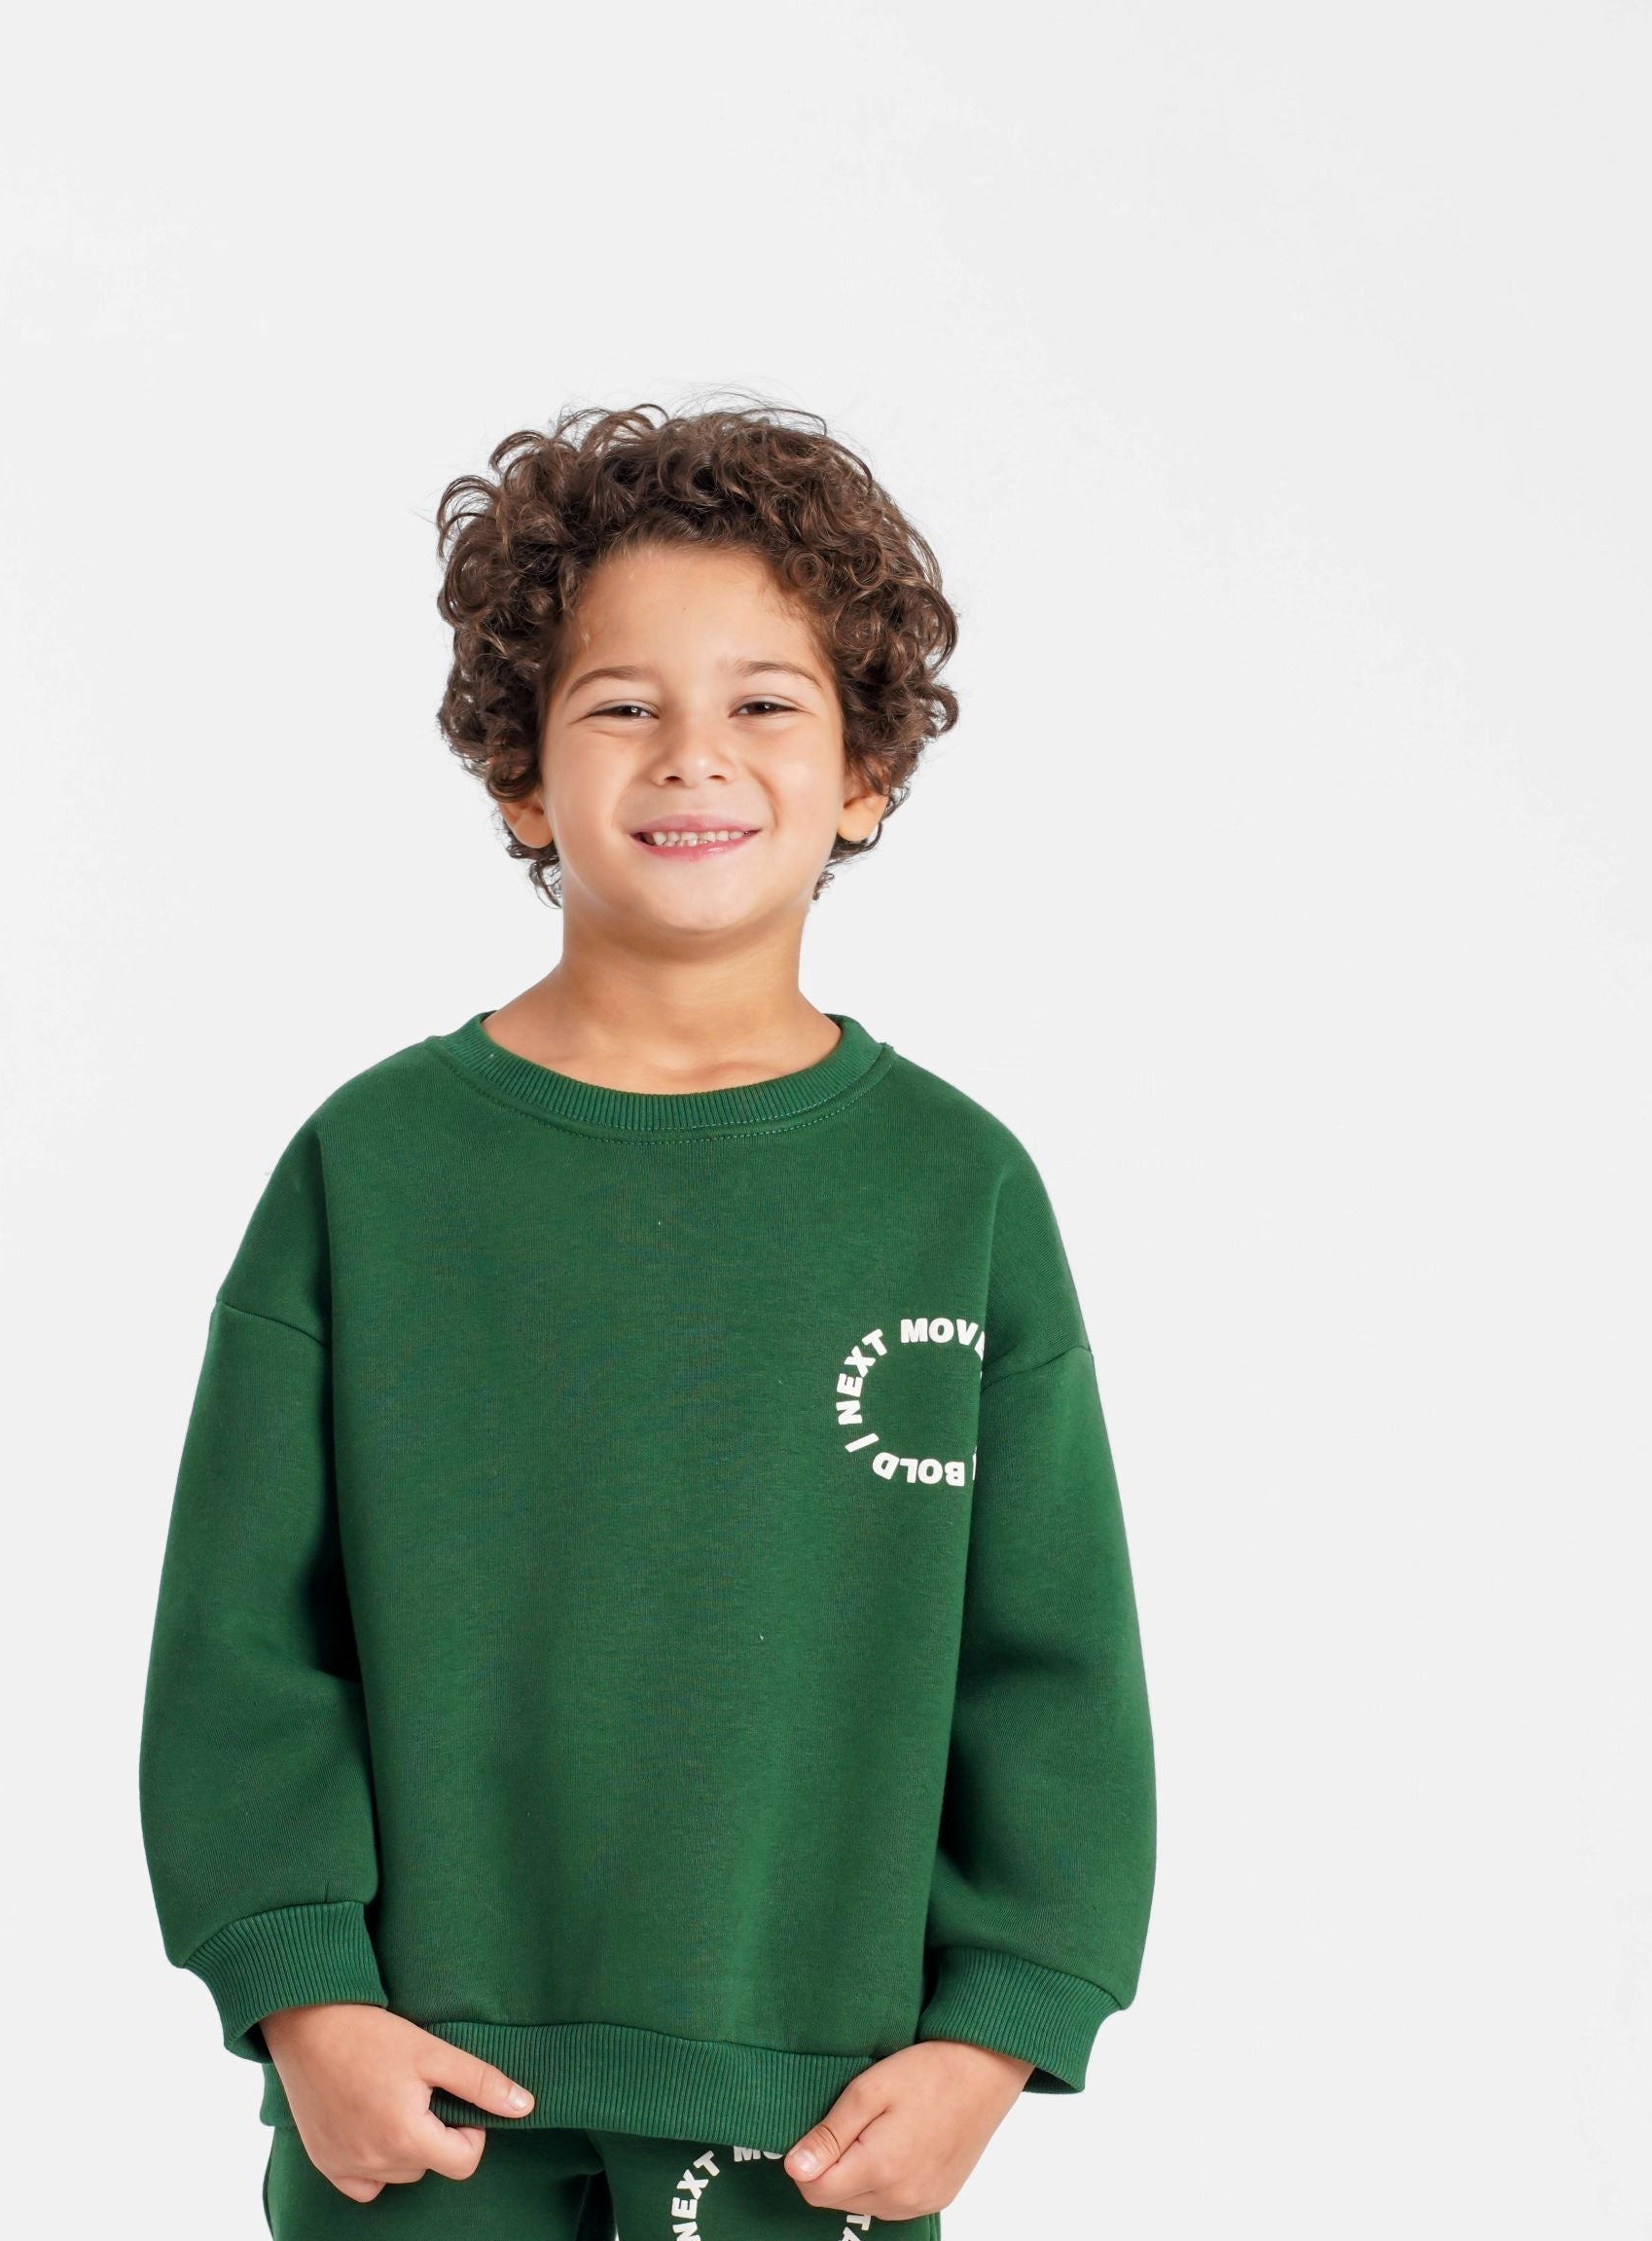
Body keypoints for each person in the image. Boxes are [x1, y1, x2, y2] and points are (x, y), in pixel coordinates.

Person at [138, 400, 1158, 2238]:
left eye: (765, 702)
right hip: (423, 2097)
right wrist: (301, 1994)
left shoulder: (956, 1193)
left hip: (821, 2110)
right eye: (623, 704)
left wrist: (999, 2033)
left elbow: (1054, 1661)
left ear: (866, 772)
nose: (695, 754)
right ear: (521, 777)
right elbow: (242, 1638)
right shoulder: (375, 1171)